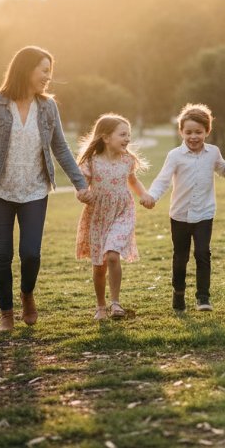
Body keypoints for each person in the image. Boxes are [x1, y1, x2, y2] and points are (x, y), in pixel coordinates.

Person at [0, 46, 91, 333]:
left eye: (49, 71)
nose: (48, 77)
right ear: (25, 69)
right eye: (44, 70)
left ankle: (27, 293)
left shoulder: (48, 107)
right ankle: (6, 313)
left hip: (34, 190)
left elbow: (61, 148)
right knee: (2, 255)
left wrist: (80, 183)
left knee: (30, 254)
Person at [142, 104, 225, 312]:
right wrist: (152, 196)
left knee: (203, 253)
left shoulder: (212, 152)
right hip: (180, 215)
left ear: (207, 131)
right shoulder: (175, 155)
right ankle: (178, 294)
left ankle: (203, 297)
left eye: (198, 132)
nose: (193, 137)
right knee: (181, 257)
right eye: (188, 132)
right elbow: (163, 180)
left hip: (204, 214)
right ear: (181, 132)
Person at [75, 113, 151, 320]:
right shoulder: (92, 161)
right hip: (98, 214)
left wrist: (143, 194)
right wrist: (82, 194)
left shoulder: (127, 160)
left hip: (122, 212)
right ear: (106, 137)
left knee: (112, 255)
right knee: (99, 265)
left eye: (129, 135)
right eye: (123, 134)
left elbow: (133, 181)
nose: (128, 139)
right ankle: (101, 306)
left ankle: (115, 304)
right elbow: (81, 185)